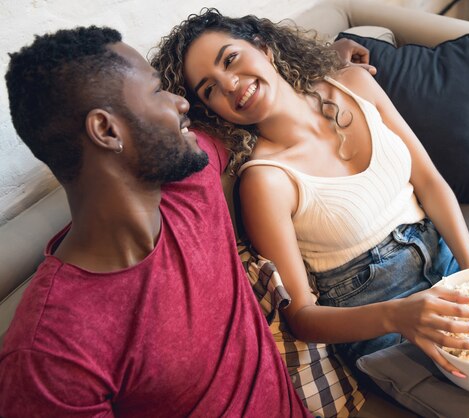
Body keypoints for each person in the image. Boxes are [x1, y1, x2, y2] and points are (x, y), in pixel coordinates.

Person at [152, 8, 469, 383]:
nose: (231, 84)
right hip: (383, 327)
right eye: (210, 88)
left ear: (263, 47)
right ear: (210, 109)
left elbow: (429, 181)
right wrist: (400, 316)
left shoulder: (355, 84)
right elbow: (301, 317)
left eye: (230, 59)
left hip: (449, 263)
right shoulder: (265, 180)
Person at [0, 25, 314, 417]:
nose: (179, 103)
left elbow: (253, 97)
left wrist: (335, 61)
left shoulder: (192, 184)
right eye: (154, 90)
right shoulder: (51, 351)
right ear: (107, 130)